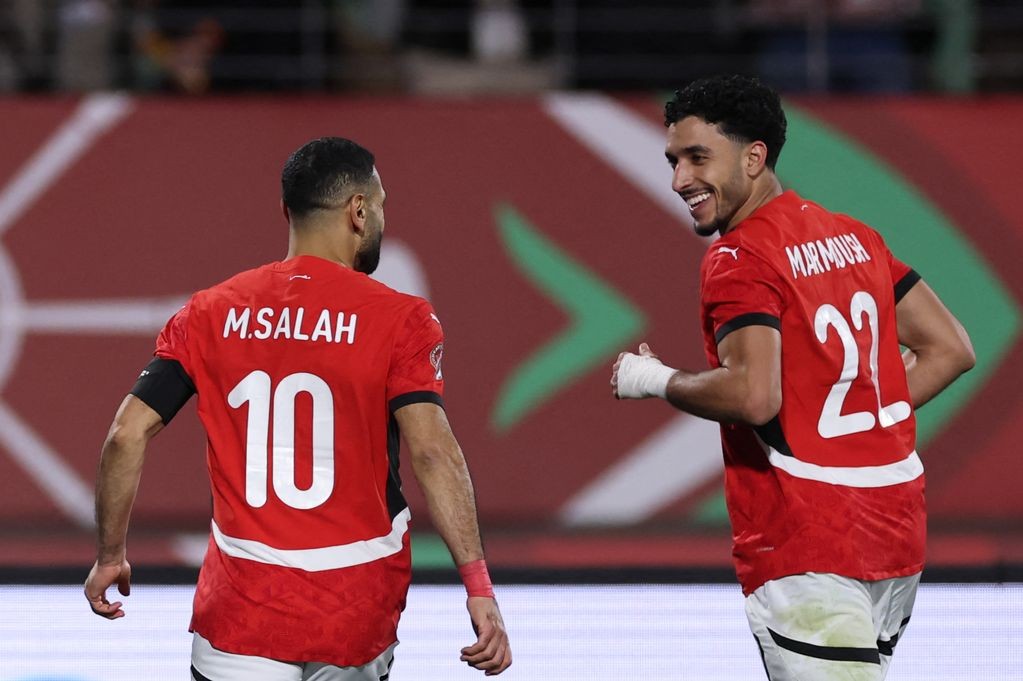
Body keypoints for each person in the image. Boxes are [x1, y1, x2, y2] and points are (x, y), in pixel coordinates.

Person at [85, 137, 511, 680]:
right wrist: (478, 586)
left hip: (241, 608)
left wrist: (110, 555)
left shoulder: (210, 312)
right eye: (382, 205)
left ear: (287, 210)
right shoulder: (401, 320)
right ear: (359, 210)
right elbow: (433, 453)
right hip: (354, 607)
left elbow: (125, 434)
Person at [610, 75, 974, 680]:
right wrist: (852, 420)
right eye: (674, 161)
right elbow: (950, 349)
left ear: (754, 157)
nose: (679, 180)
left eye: (698, 157)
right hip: (896, 537)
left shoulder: (739, 257)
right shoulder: (856, 237)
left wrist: (655, 378)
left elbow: (753, 397)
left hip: (807, 543)